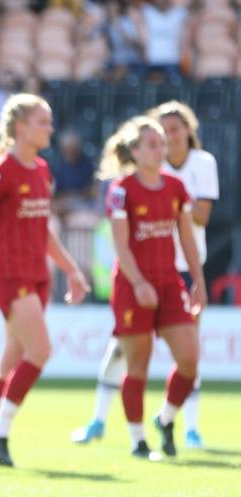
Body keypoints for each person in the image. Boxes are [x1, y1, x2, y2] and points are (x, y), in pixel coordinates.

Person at [0, 93, 89, 468]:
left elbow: (43, 229)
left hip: (37, 275)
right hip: (10, 275)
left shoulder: (42, 169)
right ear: (20, 126)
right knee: (40, 351)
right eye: (43, 121)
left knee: (10, 364)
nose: (50, 128)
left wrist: (71, 269)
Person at [73, 104, 215, 449]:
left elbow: (186, 237)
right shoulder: (121, 190)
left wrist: (198, 282)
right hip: (133, 286)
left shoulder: (176, 187)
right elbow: (120, 244)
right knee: (137, 365)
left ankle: (165, 418)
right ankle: (139, 441)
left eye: (161, 143)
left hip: (169, 282)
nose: (159, 149)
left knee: (189, 360)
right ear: (134, 151)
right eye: (151, 143)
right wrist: (138, 283)